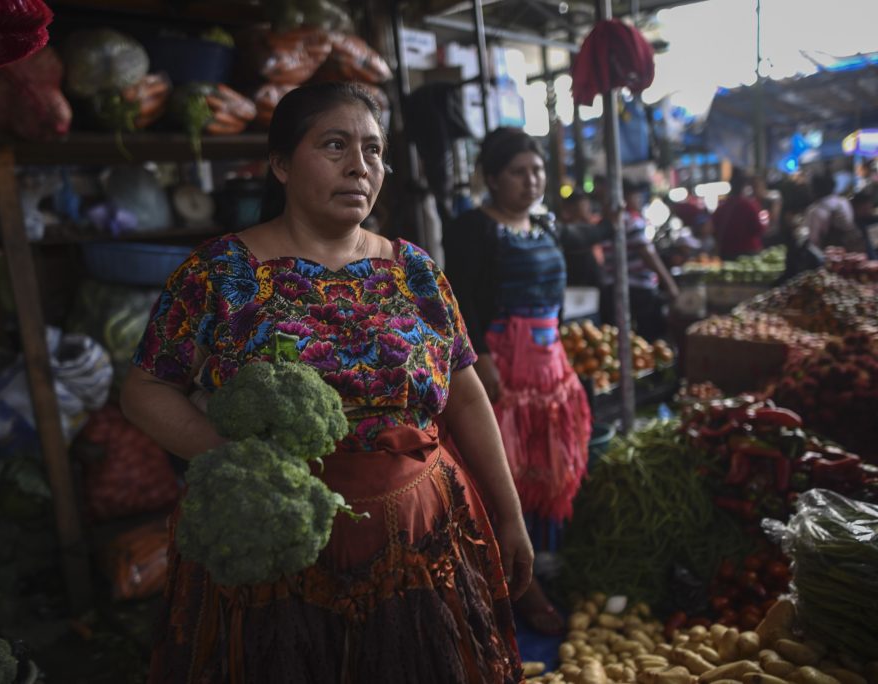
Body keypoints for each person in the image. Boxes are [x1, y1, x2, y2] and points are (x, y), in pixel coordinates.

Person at [121, 82, 533, 683]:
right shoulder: (220, 272)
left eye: (372, 150)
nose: (358, 166)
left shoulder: (415, 270)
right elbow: (145, 390)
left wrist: (510, 511)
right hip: (275, 544)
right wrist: (237, 463)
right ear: (281, 163)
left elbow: (465, 392)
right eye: (334, 145)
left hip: (417, 541)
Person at [443, 128, 610, 636]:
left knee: (549, 464)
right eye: (518, 171)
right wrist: (483, 357)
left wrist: (613, 222)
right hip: (500, 365)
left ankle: (541, 560)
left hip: (549, 364)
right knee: (503, 468)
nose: (531, 180)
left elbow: (583, 242)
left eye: (537, 170)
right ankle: (514, 579)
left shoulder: (547, 224)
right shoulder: (474, 227)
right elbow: (460, 295)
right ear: (492, 178)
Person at [599, 179, 679, 341]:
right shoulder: (629, 221)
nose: (639, 200)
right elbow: (648, 254)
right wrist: (670, 285)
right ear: (625, 199)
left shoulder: (604, 223)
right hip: (637, 290)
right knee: (649, 338)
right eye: (636, 196)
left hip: (613, 289)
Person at [713, 167, 768, 260]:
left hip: (726, 253)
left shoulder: (722, 207)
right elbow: (759, 228)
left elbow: (713, 228)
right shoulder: (749, 206)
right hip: (748, 253)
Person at [805, 172, 866, 254]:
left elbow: (814, 240)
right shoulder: (843, 202)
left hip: (832, 256)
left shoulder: (814, 211)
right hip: (853, 251)